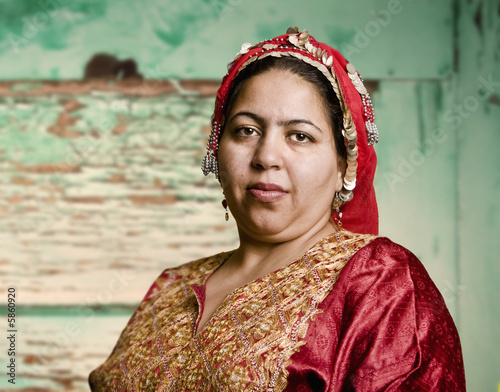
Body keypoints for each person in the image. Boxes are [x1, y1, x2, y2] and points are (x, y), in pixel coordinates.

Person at [89, 27, 466, 391]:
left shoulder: (379, 282)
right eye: (246, 131)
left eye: (299, 136)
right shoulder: (172, 287)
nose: (266, 156)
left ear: (343, 165)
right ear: (217, 152)